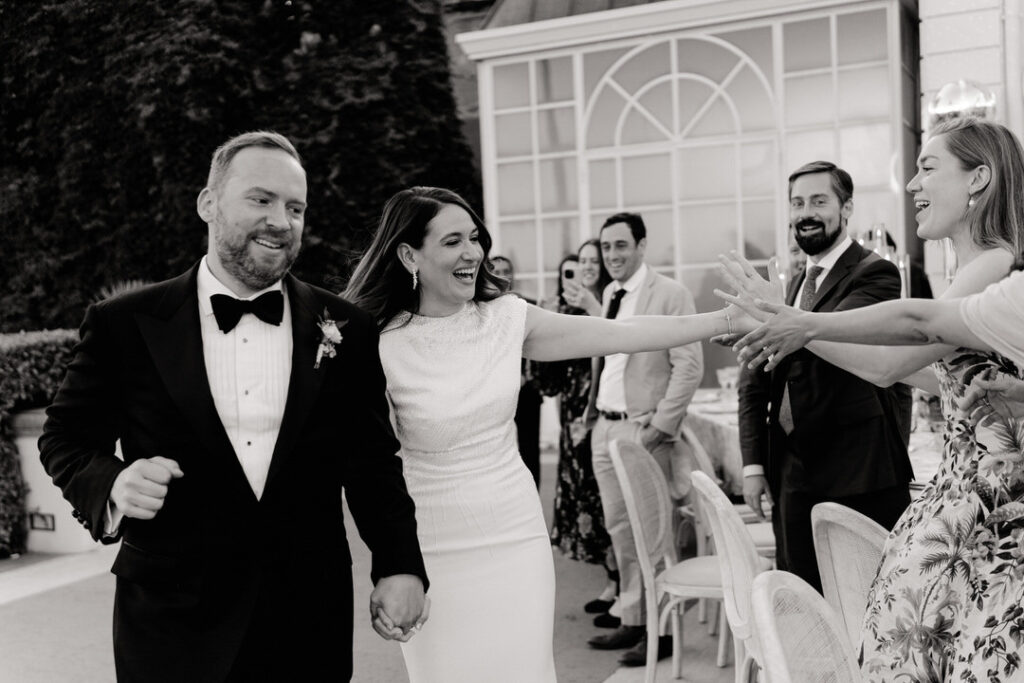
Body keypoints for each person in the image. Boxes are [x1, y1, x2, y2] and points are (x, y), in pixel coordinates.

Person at [37, 131, 429, 682]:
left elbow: (372, 462)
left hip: (306, 618)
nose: (281, 221)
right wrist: (114, 484)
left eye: (295, 208)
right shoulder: (124, 324)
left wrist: (399, 565)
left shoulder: (349, 328)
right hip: (172, 624)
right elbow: (65, 439)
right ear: (208, 203)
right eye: (261, 199)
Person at [342, 186, 760, 682]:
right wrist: (394, 566)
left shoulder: (505, 319)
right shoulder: (379, 343)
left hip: (515, 536)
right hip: (432, 545)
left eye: (474, 238)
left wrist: (727, 318)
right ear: (409, 255)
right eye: (452, 242)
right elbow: (368, 467)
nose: (472, 252)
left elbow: (622, 333)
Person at [720, 117, 1024, 681]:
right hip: (960, 497)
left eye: (927, 167)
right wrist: (789, 324)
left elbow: (902, 342)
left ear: (979, 178)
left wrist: (796, 323)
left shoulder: (993, 263)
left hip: (989, 512)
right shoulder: (978, 266)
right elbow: (912, 373)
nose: (911, 183)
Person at [735, 160, 913, 595]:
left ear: (846, 208)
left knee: (864, 601)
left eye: (818, 201)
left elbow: (832, 341)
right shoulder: (795, 283)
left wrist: (774, 318)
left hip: (858, 472)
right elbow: (755, 379)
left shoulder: (875, 273)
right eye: (797, 204)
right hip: (791, 471)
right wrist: (754, 464)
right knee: (800, 597)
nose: (805, 213)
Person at [584, 212, 704, 666]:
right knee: (620, 528)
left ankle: (664, 630)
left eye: (620, 245)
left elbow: (688, 366)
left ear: (641, 246)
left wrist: (660, 428)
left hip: (642, 429)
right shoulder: (611, 295)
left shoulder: (669, 294)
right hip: (605, 427)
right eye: (606, 247)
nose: (611, 255)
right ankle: (634, 618)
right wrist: (591, 415)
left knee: (654, 533)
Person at [533, 241, 617, 622]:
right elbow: (548, 383)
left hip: (600, 415)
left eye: (592, 262)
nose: (586, 268)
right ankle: (613, 581)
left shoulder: (609, 304)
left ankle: (620, 584)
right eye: (580, 262)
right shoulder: (564, 314)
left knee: (605, 502)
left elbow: (618, 349)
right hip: (573, 422)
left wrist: (592, 307)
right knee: (589, 502)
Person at [490, 254, 544, 487]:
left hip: (528, 390)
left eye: (506, 271)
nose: (502, 276)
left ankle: (533, 492)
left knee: (530, 448)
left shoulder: (528, 306)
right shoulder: (480, 308)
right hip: (495, 392)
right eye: (496, 271)